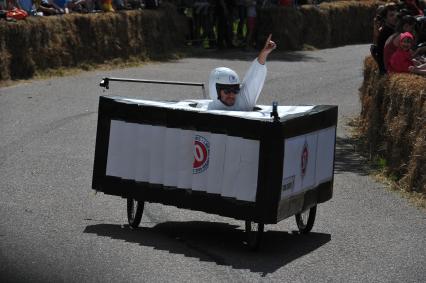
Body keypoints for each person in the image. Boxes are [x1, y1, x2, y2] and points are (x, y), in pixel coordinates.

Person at [207, 34, 276, 111]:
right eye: (227, 91)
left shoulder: (244, 101)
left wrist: (264, 53)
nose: (232, 95)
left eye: (235, 90)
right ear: (215, 91)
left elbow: (255, 75)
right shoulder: (207, 111)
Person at [376, 3, 398, 74]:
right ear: (385, 19)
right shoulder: (386, 32)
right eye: (391, 15)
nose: (395, 17)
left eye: (396, 15)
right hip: (388, 66)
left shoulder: (392, 28)